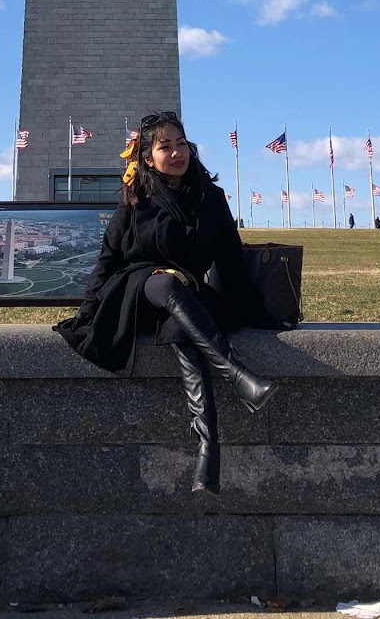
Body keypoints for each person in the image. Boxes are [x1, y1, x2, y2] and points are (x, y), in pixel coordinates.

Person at [55, 112, 276, 497]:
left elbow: (230, 258)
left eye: (180, 144)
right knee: (163, 282)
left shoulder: (211, 199)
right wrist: (88, 311)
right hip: (136, 291)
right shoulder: (135, 198)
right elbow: (108, 259)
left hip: (186, 294)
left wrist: (249, 307)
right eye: (164, 146)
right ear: (147, 156)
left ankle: (208, 451)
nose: (176, 153)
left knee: (184, 331)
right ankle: (237, 373)